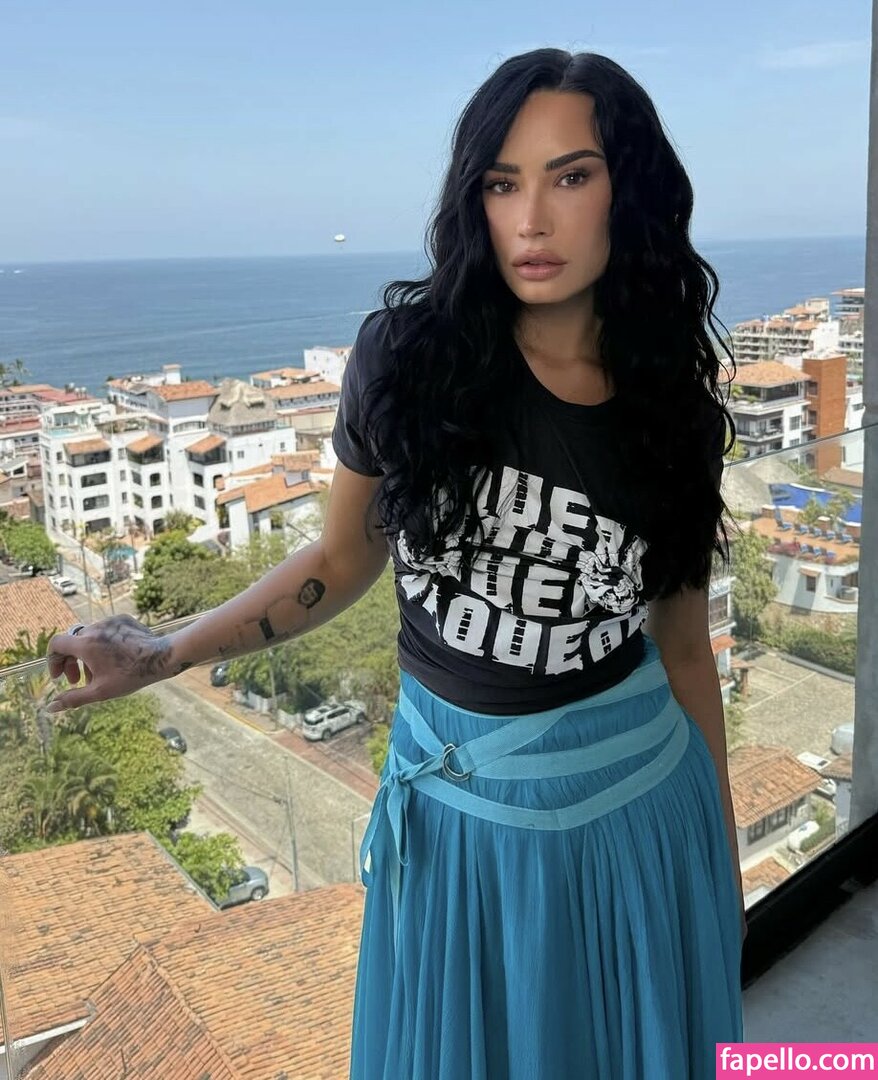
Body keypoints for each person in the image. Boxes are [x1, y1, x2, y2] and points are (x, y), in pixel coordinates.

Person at [47, 47, 745, 1080]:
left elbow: (683, 649)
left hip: (635, 817)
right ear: (474, 200)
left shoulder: (667, 403)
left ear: (627, 188)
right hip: (458, 828)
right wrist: (164, 651)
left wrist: (716, 860)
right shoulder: (410, 361)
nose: (531, 220)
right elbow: (341, 557)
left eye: (570, 175)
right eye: (501, 183)